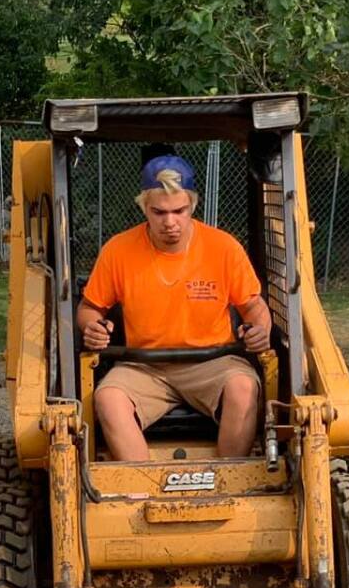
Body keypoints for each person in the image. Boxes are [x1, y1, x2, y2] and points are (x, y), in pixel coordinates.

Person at [76, 154, 276, 460]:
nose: (170, 222)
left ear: (193, 205)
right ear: (144, 207)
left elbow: (254, 306)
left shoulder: (223, 248)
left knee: (244, 388)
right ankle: (142, 492)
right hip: (145, 365)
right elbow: (89, 308)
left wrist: (260, 330)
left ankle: (227, 482)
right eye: (159, 212)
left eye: (179, 211)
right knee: (107, 398)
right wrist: (92, 327)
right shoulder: (118, 250)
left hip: (213, 362)